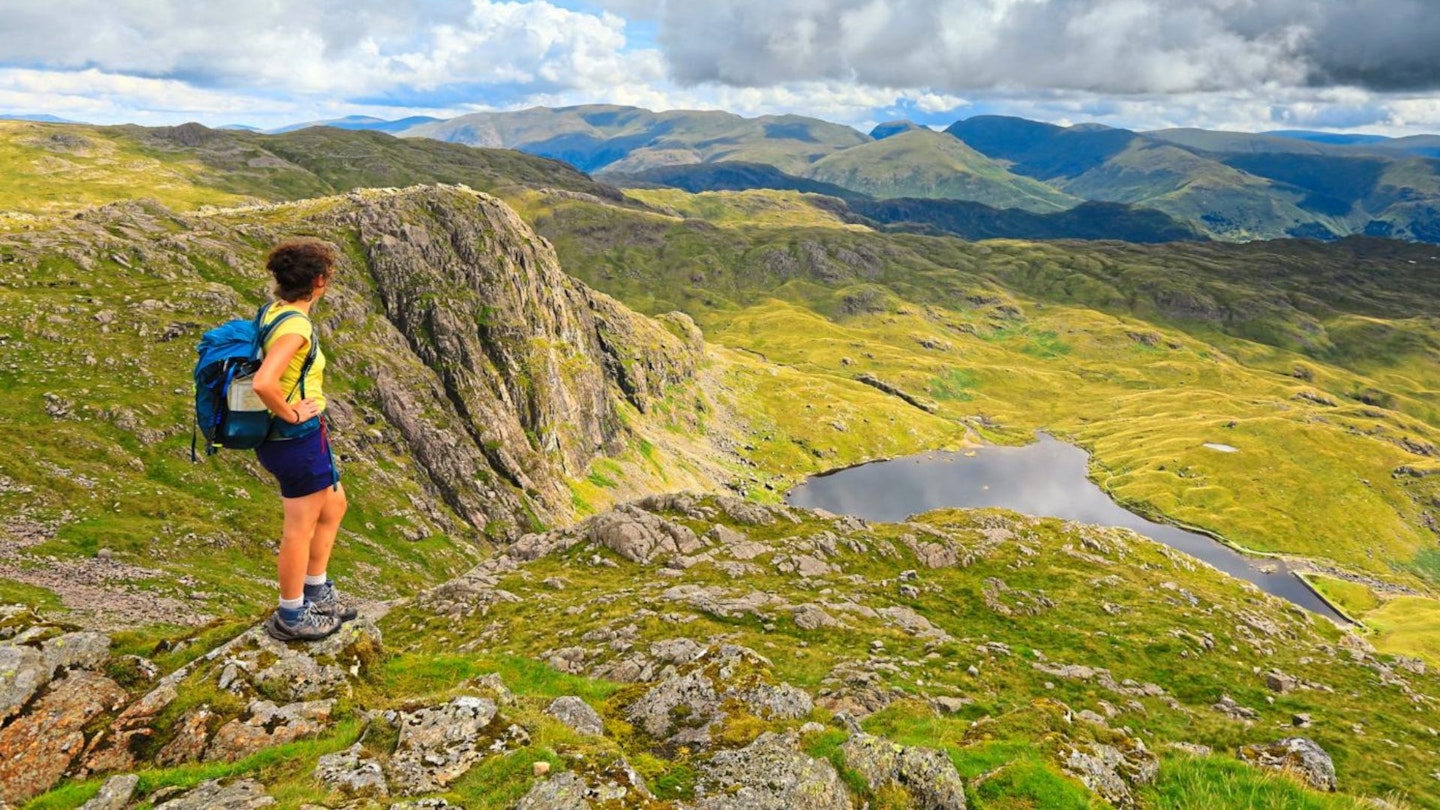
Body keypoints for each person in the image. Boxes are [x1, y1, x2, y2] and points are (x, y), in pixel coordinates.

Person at [250, 237, 356, 641]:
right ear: (318, 281)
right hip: (293, 438)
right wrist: (292, 412)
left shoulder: (274, 312)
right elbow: (264, 382)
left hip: (300, 437)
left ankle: (317, 590)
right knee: (300, 527)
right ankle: (292, 615)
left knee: (335, 503)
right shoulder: (295, 325)